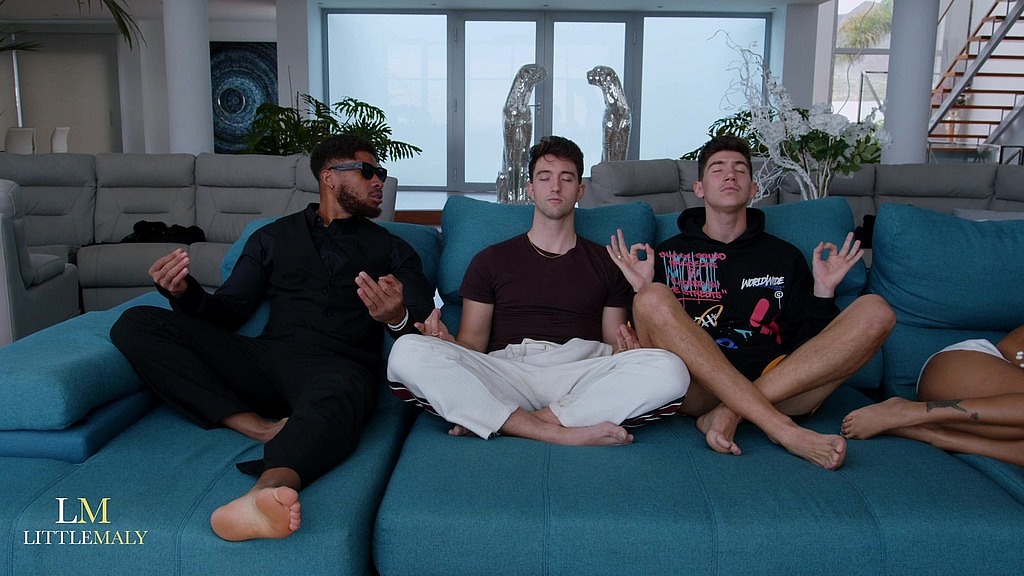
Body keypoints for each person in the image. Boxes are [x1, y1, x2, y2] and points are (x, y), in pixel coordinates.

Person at [109, 134, 435, 541]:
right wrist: (182, 292)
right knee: (136, 322)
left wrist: (395, 317)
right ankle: (257, 427)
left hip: (339, 367)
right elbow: (228, 312)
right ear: (329, 177)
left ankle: (265, 493)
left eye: (381, 173)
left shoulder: (394, 249)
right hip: (266, 359)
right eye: (367, 171)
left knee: (343, 394)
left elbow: (423, 325)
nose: (379, 181)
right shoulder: (272, 237)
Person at [607, 135, 894, 470]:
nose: (730, 175)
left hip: (780, 386)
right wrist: (641, 289)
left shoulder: (785, 256)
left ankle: (729, 412)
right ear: (699, 188)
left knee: (877, 311)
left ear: (754, 189)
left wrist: (824, 291)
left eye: (740, 170)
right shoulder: (668, 255)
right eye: (718, 169)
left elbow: (809, 349)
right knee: (651, 297)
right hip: (696, 385)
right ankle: (782, 430)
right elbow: (643, 350)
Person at [387, 135, 689, 446]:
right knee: (407, 351)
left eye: (566, 178)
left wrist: (639, 305)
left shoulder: (608, 262)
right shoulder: (490, 260)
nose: (555, 187)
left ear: (580, 191)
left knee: (671, 370)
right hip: (508, 371)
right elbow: (473, 344)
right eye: (545, 178)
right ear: (531, 189)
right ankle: (559, 431)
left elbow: (614, 345)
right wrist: (449, 345)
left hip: (582, 371)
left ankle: (503, 420)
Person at [841, 325, 1024, 467]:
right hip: (964, 369)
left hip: (1001, 423)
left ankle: (934, 435)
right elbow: (1009, 349)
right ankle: (908, 412)